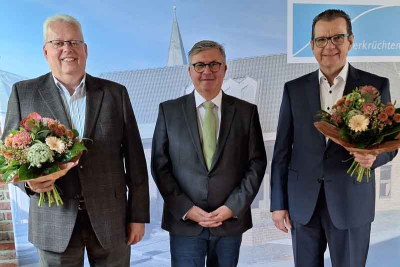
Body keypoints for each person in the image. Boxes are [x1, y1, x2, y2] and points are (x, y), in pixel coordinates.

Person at [1, 14, 150, 266]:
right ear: (46, 51)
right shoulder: (23, 93)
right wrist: (29, 185)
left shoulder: (115, 94)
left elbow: (135, 161)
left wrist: (138, 216)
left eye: (74, 42)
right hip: (52, 220)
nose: (67, 49)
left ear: (85, 49)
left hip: (111, 220)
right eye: (58, 42)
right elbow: (8, 157)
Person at [270, 9, 397, 267]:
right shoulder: (293, 89)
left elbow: (390, 144)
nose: (329, 46)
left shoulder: (375, 86)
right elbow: (282, 150)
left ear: (350, 40)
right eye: (321, 40)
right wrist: (278, 204)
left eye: (337, 38)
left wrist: (374, 157)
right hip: (303, 204)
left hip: (352, 203)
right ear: (312, 45)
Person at [151, 40, 267, 267]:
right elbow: (159, 166)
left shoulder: (246, 112)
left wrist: (232, 207)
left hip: (229, 222)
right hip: (185, 223)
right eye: (199, 65)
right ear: (189, 70)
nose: (207, 71)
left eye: (214, 64)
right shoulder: (169, 111)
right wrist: (186, 209)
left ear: (225, 68)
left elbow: (256, 164)